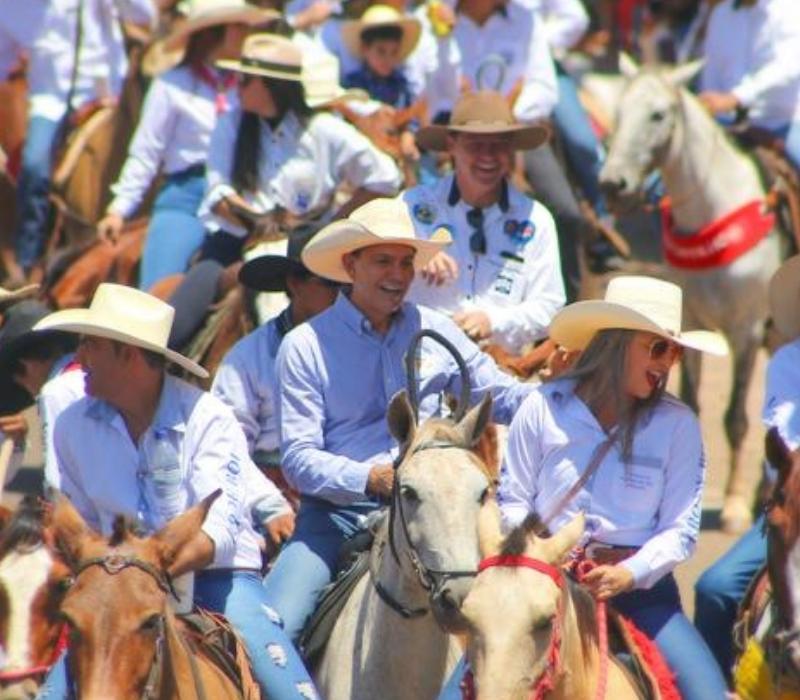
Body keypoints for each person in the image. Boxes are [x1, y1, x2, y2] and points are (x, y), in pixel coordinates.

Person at [263, 197, 535, 642]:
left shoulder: (435, 328)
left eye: (406, 263)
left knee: (518, 623)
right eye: (383, 261)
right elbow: (298, 459)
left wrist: (566, 399)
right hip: (337, 517)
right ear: (350, 265)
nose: (398, 274)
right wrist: (370, 478)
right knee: (275, 630)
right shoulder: (305, 346)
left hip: (438, 512)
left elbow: (501, 394)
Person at [33, 283, 318, 700]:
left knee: (291, 692)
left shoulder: (208, 418)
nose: (80, 358)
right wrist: (119, 572)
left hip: (217, 580)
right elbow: (85, 526)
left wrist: (152, 567)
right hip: (116, 586)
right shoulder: (71, 425)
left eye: (90, 345)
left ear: (127, 354)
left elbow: (218, 531)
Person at [460, 275, 730, 700]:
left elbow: (680, 531)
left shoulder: (678, 426)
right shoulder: (542, 408)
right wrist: (543, 556)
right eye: (657, 348)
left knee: (708, 694)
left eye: (675, 352)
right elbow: (513, 500)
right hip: (541, 585)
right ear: (616, 343)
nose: (667, 362)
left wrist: (629, 573)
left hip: (643, 595)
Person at [165, 32, 400, 349]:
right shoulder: (230, 124)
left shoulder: (324, 130)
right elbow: (217, 193)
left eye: (245, 79)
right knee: (173, 330)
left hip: (310, 251)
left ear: (272, 85)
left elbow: (385, 176)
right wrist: (262, 222)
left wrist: (332, 226)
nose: (237, 86)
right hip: (235, 242)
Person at [96, 0, 278, 291]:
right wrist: (119, 209)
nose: (247, 33)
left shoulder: (253, 86)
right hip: (185, 197)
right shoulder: (171, 84)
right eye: (238, 25)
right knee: (156, 295)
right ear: (215, 32)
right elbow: (147, 151)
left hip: (244, 198)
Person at [693, 253, 800, 683]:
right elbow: (784, 442)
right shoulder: (789, 362)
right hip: (794, 511)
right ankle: (713, 685)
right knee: (716, 589)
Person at [0, 0, 158, 282]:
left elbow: (143, 14)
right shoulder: (12, 6)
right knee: (34, 165)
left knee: (155, 136)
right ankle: (27, 259)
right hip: (50, 102)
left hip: (108, 93)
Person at [447, 0, 591, 299]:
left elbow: (543, 86)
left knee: (565, 212)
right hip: (454, 132)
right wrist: (464, 118)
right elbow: (429, 82)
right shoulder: (437, 20)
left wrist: (505, 118)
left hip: (513, 128)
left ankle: (565, 311)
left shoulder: (526, 20)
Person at [402, 90, 565, 353]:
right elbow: (372, 269)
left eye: (498, 145)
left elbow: (550, 306)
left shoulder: (537, 220)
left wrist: (494, 322)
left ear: (511, 149)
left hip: (498, 365)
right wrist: (414, 253)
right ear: (452, 145)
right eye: (475, 145)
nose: (487, 155)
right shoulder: (411, 206)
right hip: (420, 359)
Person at [211, 224, 339, 511]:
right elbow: (226, 446)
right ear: (295, 283)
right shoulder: (246, 358)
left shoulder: (364, 347)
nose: (341, 294)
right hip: (272, 493)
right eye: (330, 283)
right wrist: (268, 506)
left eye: (347, 283)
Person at [698, 0, 800, 171]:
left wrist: (735, 97)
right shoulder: (721, 14)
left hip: (781, 121)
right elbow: (711, 72)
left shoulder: (790, 8)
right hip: (728, 123)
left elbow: (788, 66)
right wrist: (709, 102)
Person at [341, 4, 423, 163]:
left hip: (393, 152)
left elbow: (410, 119)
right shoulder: (351, 84)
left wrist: (408, 137)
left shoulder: (401, 83)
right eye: (381, 51)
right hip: (359, 153)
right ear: (365, 48)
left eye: (394, 52)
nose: (388, 59)